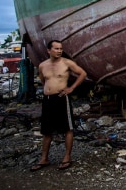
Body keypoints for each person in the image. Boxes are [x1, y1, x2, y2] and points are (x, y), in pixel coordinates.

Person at [30, 40, 87, 172]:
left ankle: (67, 157)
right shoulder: (42, 65)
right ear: (48, 51)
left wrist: (71, 88)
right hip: (47, 99)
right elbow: (43, 80)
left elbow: (83, 73)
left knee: (67, 128)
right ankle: (44, 158)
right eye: (56, 48)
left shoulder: (67, 63)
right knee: (46, 130)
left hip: (61, 98)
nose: (59, 51)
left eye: (61, 48)